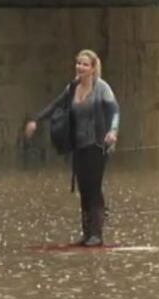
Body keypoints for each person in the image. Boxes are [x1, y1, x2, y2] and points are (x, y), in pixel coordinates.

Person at [25, 49, 120, 247]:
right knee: (83, 189)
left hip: (97, 145)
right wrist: (36, 120)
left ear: (93, 68)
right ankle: (86, 234)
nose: (80, 67)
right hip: (79, 146)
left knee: (93, 188)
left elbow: (115, 111)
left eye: (85, 64)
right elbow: (55, 105)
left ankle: (97, 234)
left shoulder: (102, 88)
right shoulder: (72, 87)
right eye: (78, 63)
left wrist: (113, 131)